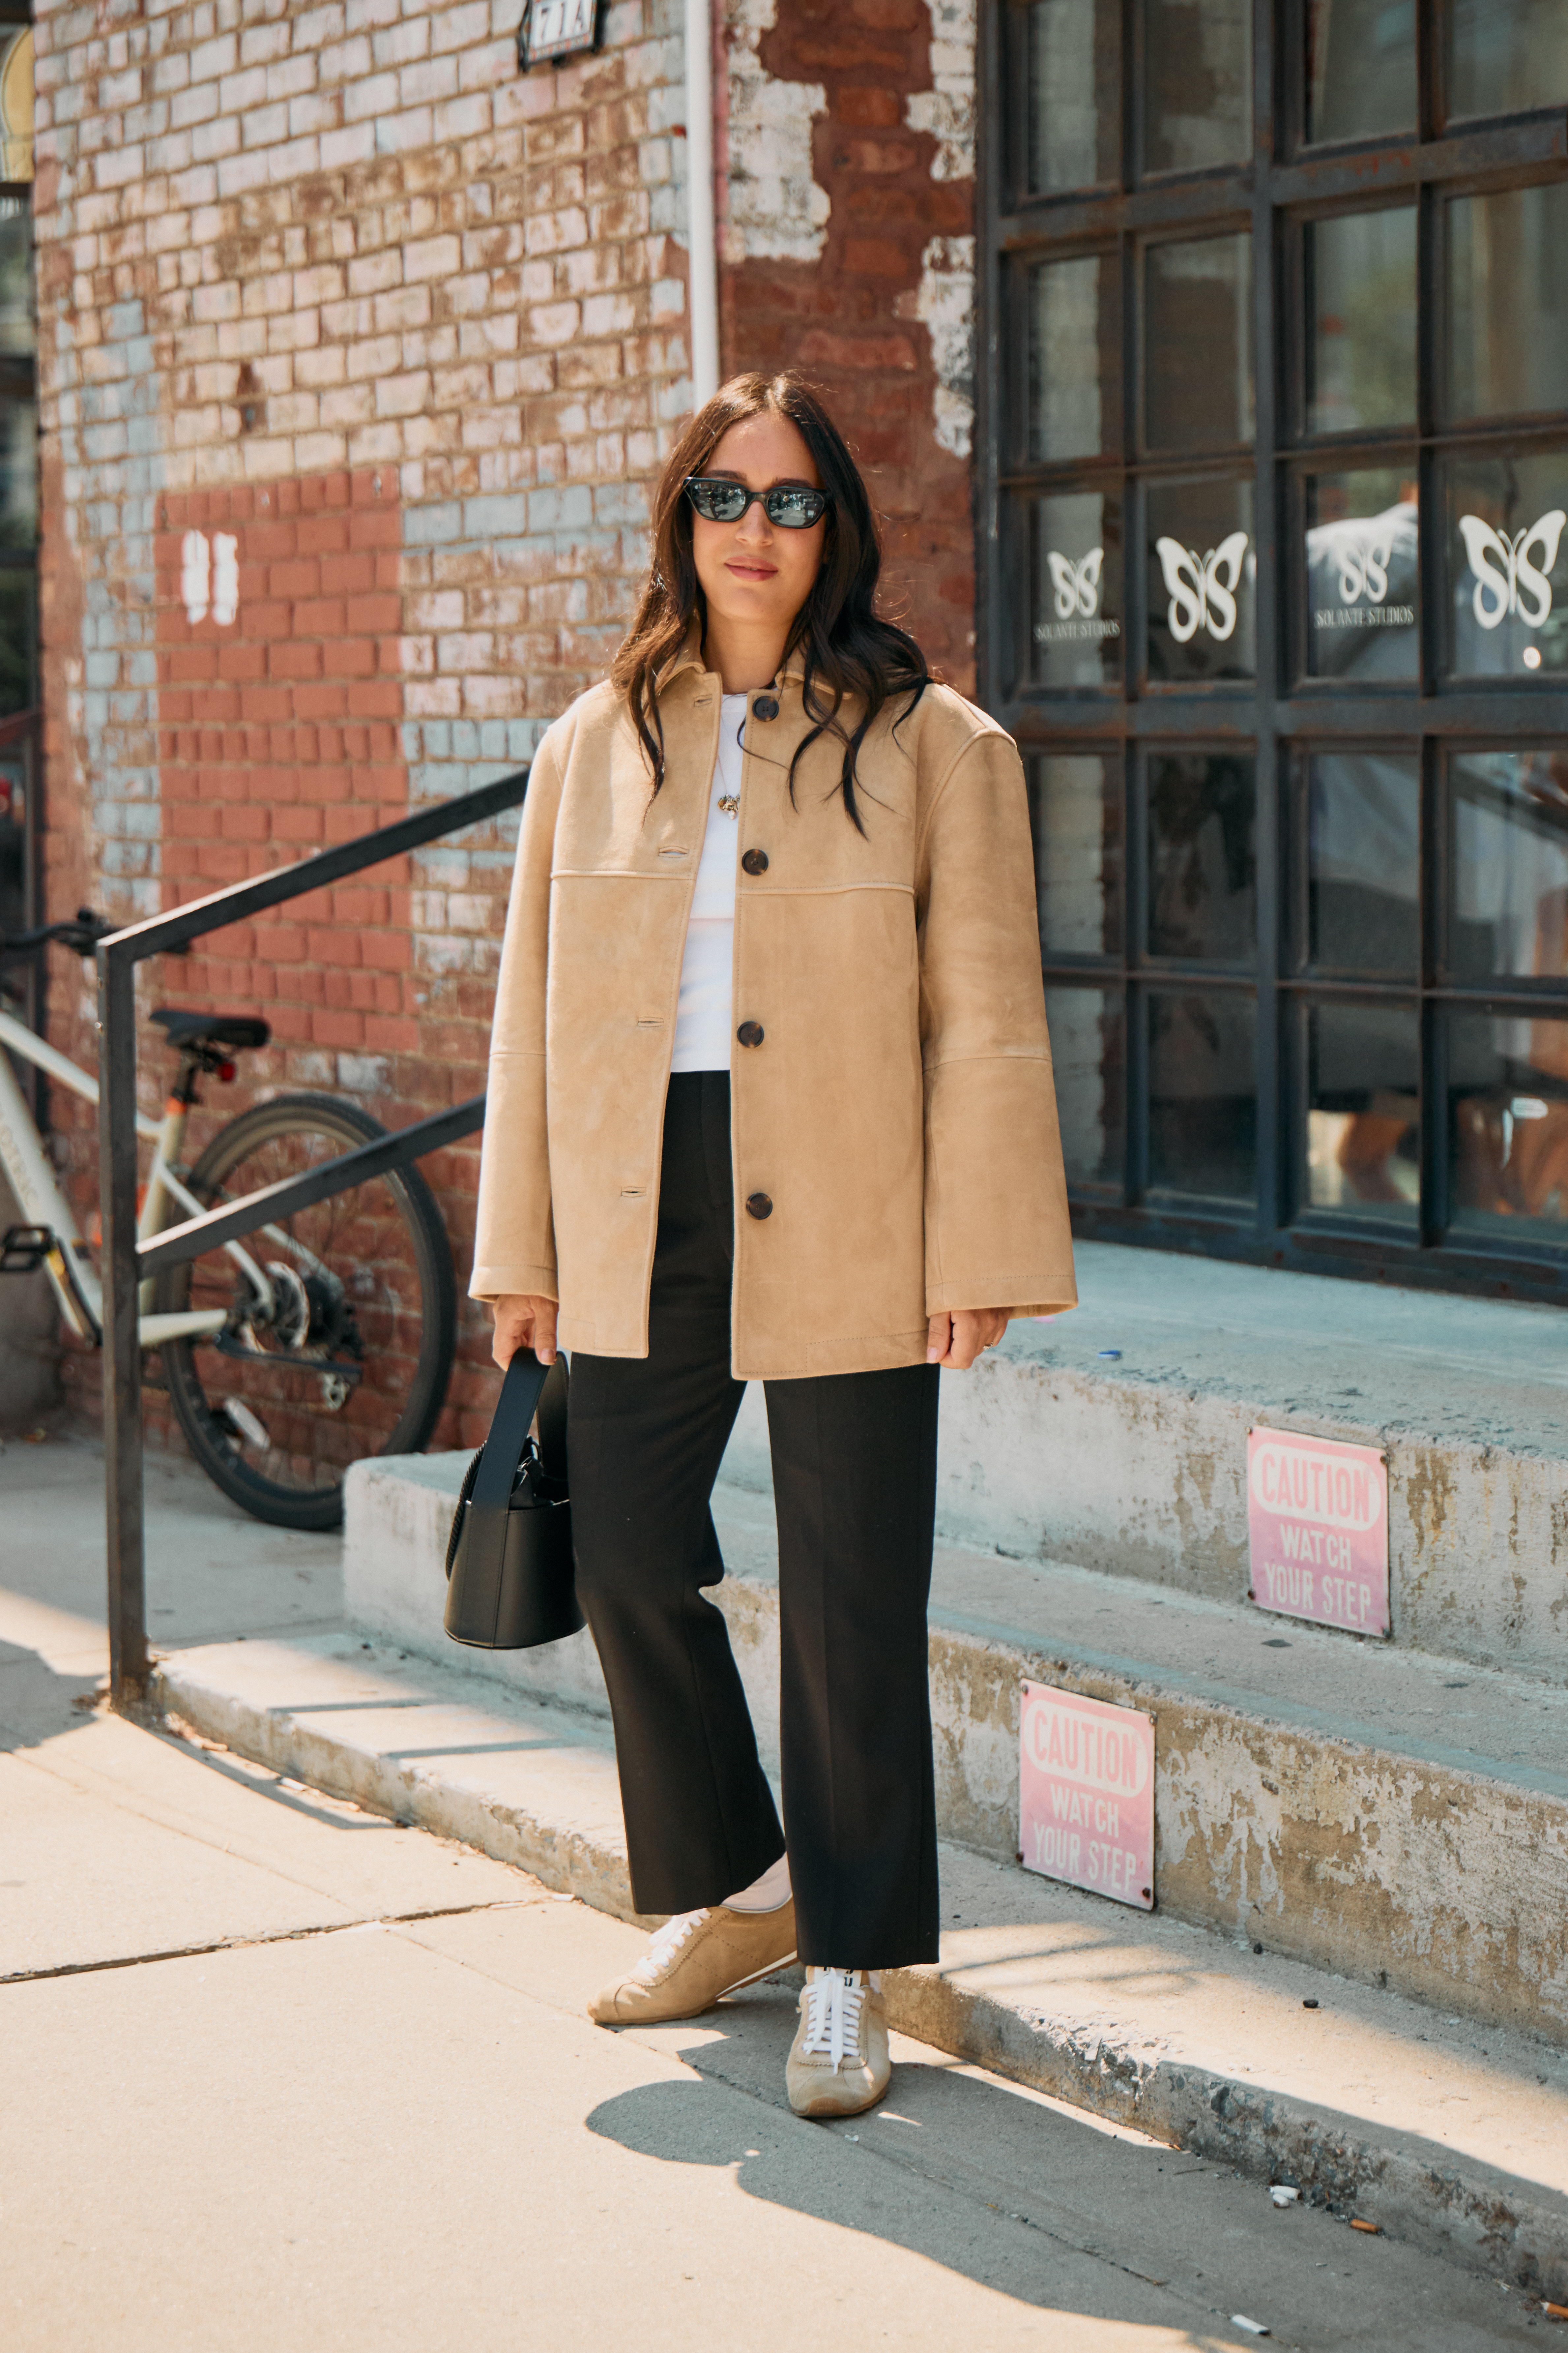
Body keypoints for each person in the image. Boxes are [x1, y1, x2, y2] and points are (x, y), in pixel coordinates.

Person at [471, 370, 1076, 2119]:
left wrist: (978, 1242)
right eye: (723, 497)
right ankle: (745, 1891)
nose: (756, 530)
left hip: (855, 1189)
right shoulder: (592, 745)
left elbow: (986, 1021)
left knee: (850, 1590)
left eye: (792, 500)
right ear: (680, 519)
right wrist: (522, 1246)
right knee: (623, 1552)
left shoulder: (938, 745)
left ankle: (851, 1965)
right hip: (635, 1191)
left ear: (837, 531)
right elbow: (529, 1014)